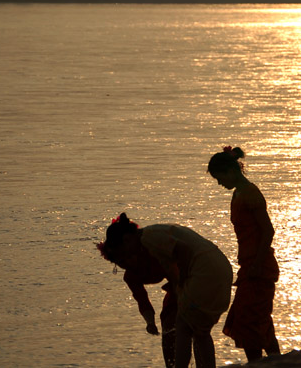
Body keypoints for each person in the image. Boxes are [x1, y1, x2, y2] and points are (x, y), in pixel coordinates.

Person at [97, 213, 232, 368]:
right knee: (200, 329)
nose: (127, 258)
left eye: (124, 253)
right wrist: (150, 322)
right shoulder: (150, 239)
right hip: (220, 268)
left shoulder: (148, 239)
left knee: (183, 325)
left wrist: (182, 283)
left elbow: (183, 251)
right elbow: (143, 299)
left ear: (127, 239)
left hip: (202, 272)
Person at [208, 146, 281, 362]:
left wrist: (257, 264)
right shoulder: (238, 194)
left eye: (219, 178)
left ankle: (261, 362)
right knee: (254, 318)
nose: (220, 183)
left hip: (259, 265)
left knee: (250, 319)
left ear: (230, 172)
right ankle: (276, 361)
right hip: (248, 264)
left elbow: (268, 231)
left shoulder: (250, 193)